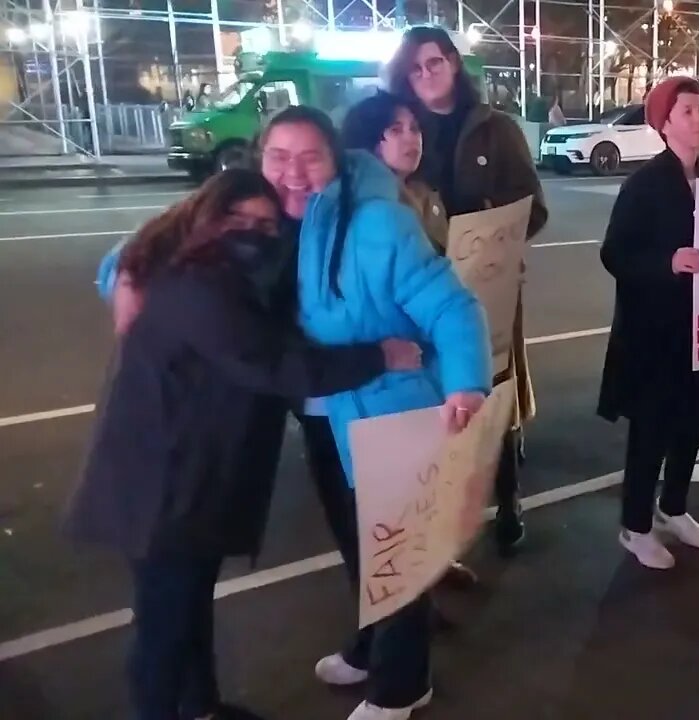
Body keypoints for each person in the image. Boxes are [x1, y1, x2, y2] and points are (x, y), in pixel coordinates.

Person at [66, 170, 423, 720]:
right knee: (163, 626)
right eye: (238, 221)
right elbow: (275, 363)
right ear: (208, 218)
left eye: (265, 224)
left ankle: (200, 707)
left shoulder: (220, 274)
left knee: (185, 606)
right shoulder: (196, 284)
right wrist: (383, 356)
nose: (253, 234)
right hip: (161, 483)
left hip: (185, 475)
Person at [263, 105, 491, 720]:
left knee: (395, 552)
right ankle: (370, 647)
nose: (294, 171)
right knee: (358, 549)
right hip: (321, 414)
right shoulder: (265, 219)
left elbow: (454, 306)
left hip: (390, 414)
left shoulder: (377, 225)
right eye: (279, 156)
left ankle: (400, 685)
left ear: (335, 158)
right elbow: (179, 240)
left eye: (310, 155)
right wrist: (124, 274)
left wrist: (466, 384)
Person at [387, 25, 547, 557]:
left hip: (487, 285)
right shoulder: (399, 126)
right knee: (434, 397)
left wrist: (495, 226)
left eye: (434, 63)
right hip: (420, 291)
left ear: (454, 63)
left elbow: (534, 207)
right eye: (414, 68)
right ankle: (441, 519)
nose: (425, 75)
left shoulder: (494, 129)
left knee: (493, 388)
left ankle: (508, 497)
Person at [341, 90, 482, 589]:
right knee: (390, 507)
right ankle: (408, 598)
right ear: (366, 143)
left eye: (414, 128)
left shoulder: (426, 197)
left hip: (435, 364)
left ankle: (433, 568)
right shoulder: (364, 210)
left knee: (433, 480)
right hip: (388, 375)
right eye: (394, 130)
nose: (409, 139)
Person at [599, 76, 699, 570]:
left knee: (694, 421)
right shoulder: (645, 184)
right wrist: (667, 262)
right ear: (664, 123)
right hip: (656, 331)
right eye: (688, 111)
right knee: (652, 428)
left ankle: (674, 506)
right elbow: (614, 254)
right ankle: (636, 525)